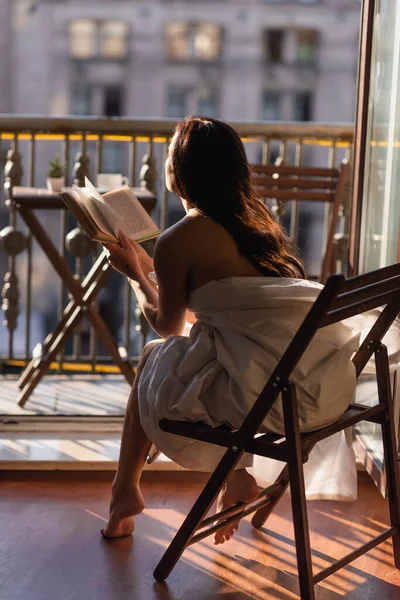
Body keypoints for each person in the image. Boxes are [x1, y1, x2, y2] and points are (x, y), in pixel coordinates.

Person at [101, 116, 359, 544]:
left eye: (170, 152)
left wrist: (134, 277)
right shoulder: (256, 224)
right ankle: (234, 478)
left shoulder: (179, 238)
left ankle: (124, 491)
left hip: (275, 399)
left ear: (182, 170)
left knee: (153, 356)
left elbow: (169, 325)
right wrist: (150, 272)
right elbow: (227, 310)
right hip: (321, 387)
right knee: (206, 366)